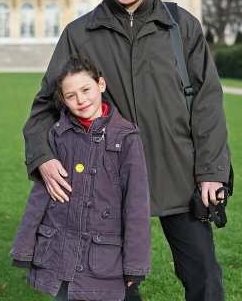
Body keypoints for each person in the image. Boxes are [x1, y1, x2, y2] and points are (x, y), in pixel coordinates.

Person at [22, 0, 232, 301]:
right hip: (108, 180)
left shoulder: (182, 25)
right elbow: (45, 105)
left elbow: (208, 103)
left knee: (204, 278)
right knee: (109, 284)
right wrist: (43, 156)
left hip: (179, 172)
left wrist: (212, 173)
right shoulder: (78, 34)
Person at [10, 55, 151, 301]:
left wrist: (136, 265)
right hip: (60, 252)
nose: (81, 100)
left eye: (86, 89)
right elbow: (41, 194)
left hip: (102, 256)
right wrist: (24, 247)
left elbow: (137, 205)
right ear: (63, 100)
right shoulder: (58, 134)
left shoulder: (127, 137)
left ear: (101, 85)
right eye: (71, 95)